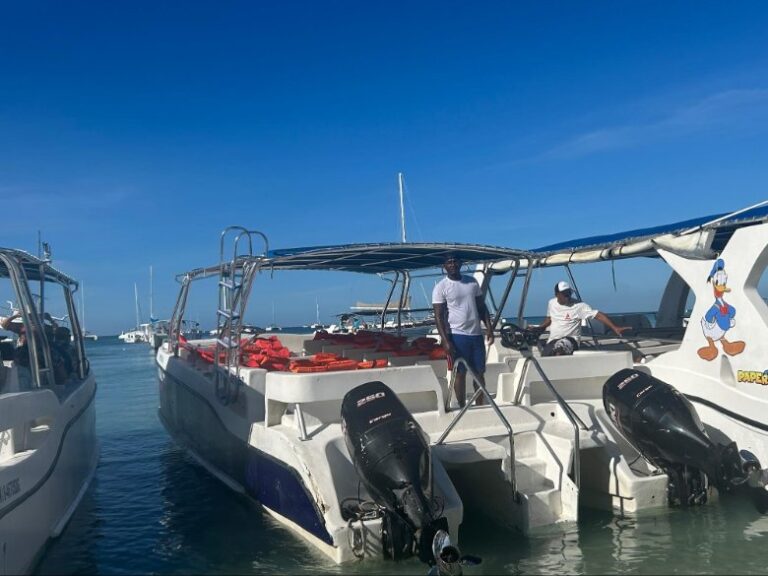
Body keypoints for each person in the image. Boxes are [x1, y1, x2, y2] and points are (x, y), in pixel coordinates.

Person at [432, 253, 494, 407]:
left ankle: (480, 405)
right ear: (444, 266)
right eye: (449, 262)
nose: (452, 264)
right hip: (456, 335)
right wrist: (445, 341)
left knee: (479, 373)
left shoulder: (472, 282)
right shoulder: (441, 287)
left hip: (476, 335)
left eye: (455, 261)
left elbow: (481, 307)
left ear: (460, 264)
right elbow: (438, 316)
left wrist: (489, 328)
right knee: (460, 373)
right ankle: (461, 407)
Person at [535, 281, 630, 356]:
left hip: (571, 340)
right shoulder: (551, 303)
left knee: (559, 350)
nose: (568, 297)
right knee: (545, 355)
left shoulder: (579, 306)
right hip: (553, 340)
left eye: (569, 293)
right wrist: (539, 328)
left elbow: (598, 315)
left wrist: (615, 328)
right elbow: (549, 319)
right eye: (565, 294)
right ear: (557, 294)